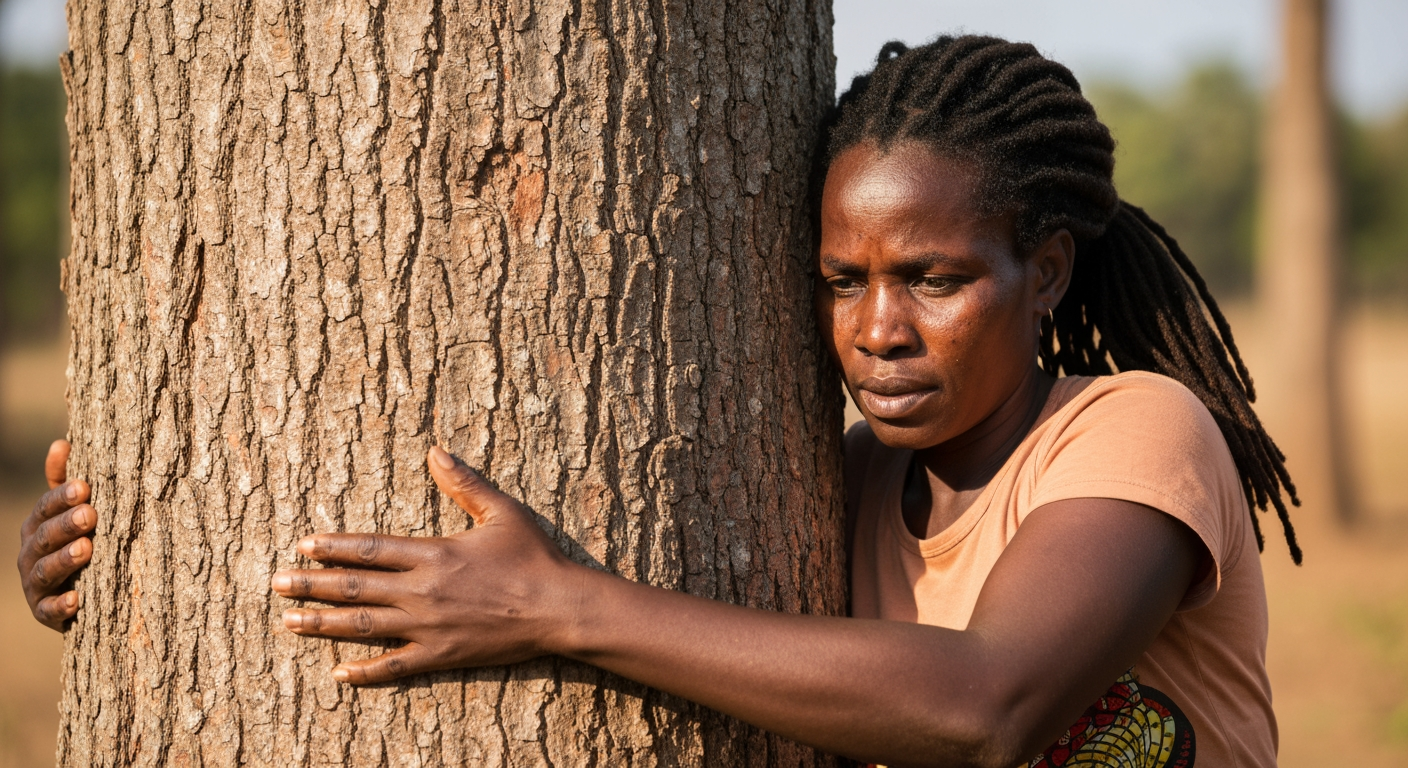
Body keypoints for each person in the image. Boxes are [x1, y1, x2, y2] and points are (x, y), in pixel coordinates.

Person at [18, 35, 1298, 767]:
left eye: (935, 278)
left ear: (1048, 270)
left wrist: (558, 603)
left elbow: (987, 705)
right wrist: (136, 576)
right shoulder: (837, 479)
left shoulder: (1131, 429)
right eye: (839, 281)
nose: (876, 330)